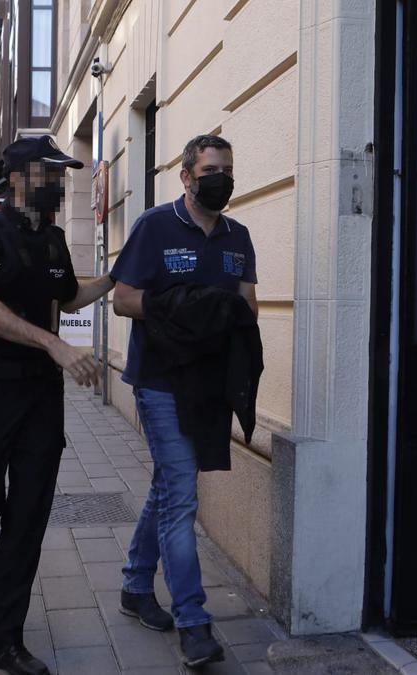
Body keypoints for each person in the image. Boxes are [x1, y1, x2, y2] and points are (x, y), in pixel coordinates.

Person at [0, 135, 113, 675]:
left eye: (60, 175)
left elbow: (68, 297)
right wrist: (56, 344)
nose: (58, 183)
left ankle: (2, 642)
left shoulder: (55, 241)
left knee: (29, 517)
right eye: (48, 174)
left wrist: (117, 277)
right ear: (17, 178)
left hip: (41, 397)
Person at [110, 134, 259, 668]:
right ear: (187, 176)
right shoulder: (154, 226)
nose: (220, 177)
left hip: (210, 385)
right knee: (181, 496)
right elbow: (124, 299)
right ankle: (194, 621)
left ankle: (134, 584)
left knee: (168, 485)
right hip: (160, 380)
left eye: (227, 167)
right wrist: (186, 310)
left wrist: (230, 326)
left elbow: (247, 307)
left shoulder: (238, 237)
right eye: (210, 168)